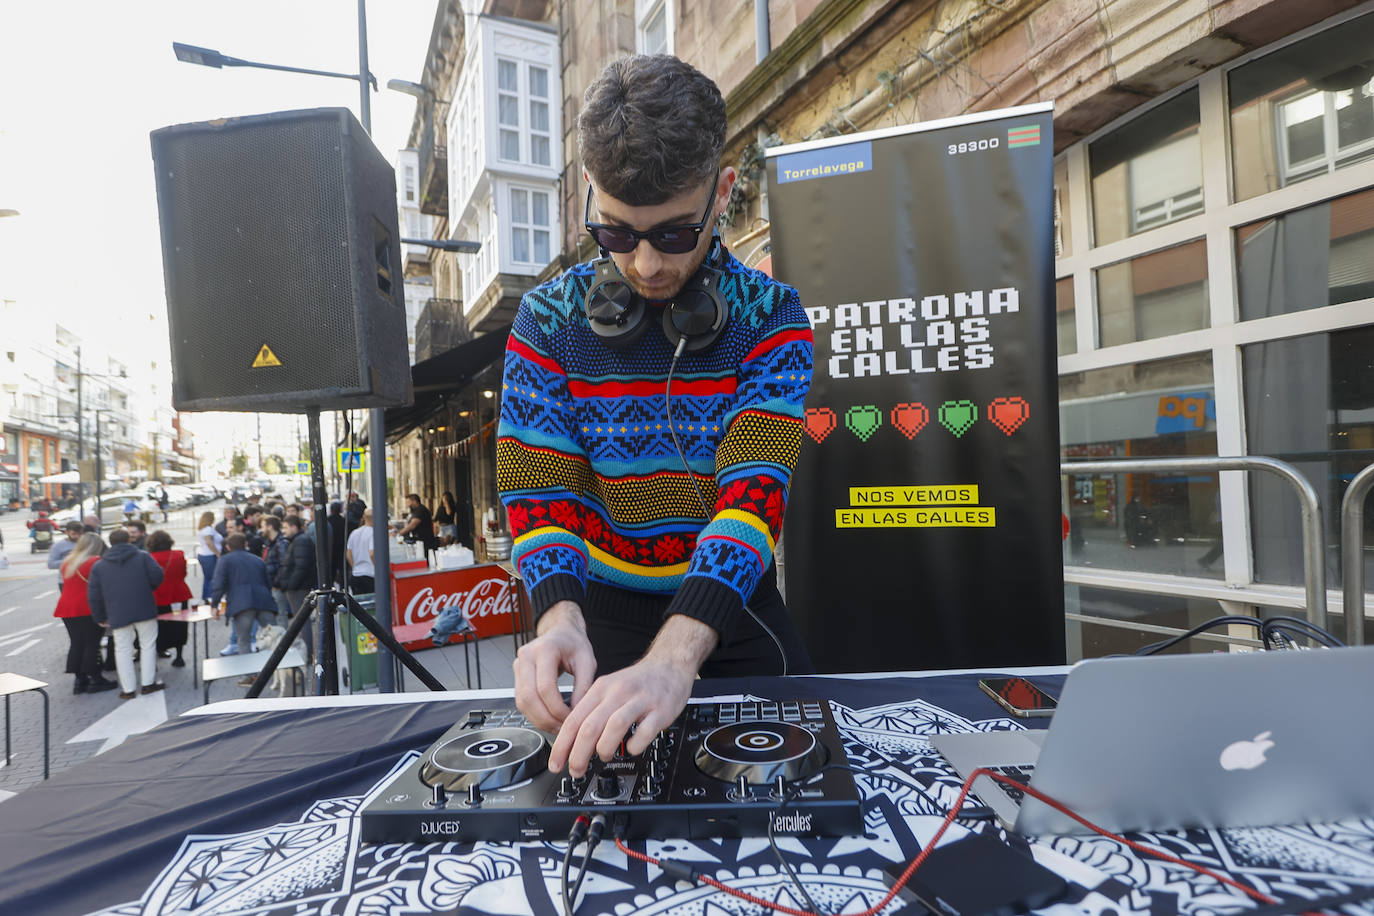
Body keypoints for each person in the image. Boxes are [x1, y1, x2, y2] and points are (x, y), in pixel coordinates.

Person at [497, 55, 814, 777]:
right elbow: (542, 499)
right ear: (590, 195)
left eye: (673, 235)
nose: (643, 266)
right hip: (597, 616)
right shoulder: (546, 322)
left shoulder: (772, 319)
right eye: (614, 233)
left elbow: (753, 499)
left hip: (735, 611)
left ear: (723, 193)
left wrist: (674, 661)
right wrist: (555, 619)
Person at [86, 527, 165, 699]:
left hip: (117, 612)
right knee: (148, 645)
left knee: (122, 650)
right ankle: (147, 683)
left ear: (110, 543)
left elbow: (94, 594)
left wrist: (99, 617)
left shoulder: (100, 565)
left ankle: (128, 689)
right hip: (144, 608)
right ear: (129, 540)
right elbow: (158, 575)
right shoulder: (143, 557)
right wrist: (147, 588)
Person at [52, 533, 119, 694]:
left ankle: (80, 680)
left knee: (77, 643)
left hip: (66, 607)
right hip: (87, 607)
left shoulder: (68, 561)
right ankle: (95, 678)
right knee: (92, 643)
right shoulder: (96, 562)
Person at [207, 533, 277, 661]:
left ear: (228, 547)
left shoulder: (224, 560)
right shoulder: (258, 560)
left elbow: (218, 584)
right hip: (264, 601)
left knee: (243, 640)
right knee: (274, 637)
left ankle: (248, 675)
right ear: (246, 544)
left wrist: (214, 605)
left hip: (242, 604)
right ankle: (277, 668)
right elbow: (268, 583)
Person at [148, 530, 193, 667]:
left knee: (158, 626)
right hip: (178, 594)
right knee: (179, 625)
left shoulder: (150, 558)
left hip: (157, 595)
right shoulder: (179, 555)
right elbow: (184, 573)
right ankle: (179, 656)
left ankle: (159, 650)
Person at [276, 514, 317, 657]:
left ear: (294, 527)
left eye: (286, 527)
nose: (284, 531)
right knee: (300, 622)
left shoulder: (301, 541)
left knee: (301, 622)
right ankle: (306, 652)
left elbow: (301, 567)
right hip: (298, 587)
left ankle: (306, 653)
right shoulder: (298, 540)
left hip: (299, 588)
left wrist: (290, 585)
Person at [261, 515, 292, 623]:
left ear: (270, 527)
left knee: (280, 614)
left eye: (263, 526)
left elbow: (284, 564)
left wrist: (276, 582)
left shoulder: (281, 543)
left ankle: (283, 638)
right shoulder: (269, 542)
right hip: (271, 583)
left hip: (276, 585)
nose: (261, 529)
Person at [345, 507, 375, 594]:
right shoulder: (374, 533)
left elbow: (348, 554)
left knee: (358, 604)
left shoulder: (354, 532)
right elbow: (372, 554)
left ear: (363, 517)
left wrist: (355, 567)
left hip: (356, 575)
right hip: (370, 575)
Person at [48, 520, 86, 589]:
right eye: (74, 534)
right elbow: (51, 564)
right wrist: (69, 560)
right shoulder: (58, 545)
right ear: (66, 532)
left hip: (84, 579)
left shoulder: (87, 542)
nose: (77, 536)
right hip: (65, 581)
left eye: (80, 534)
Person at [195, 510, 223, 603]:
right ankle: (210, 597)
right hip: (210, 556)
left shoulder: (204, 529)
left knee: (207, 577)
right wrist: (217, 554)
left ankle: (206, 596)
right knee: (212, 577)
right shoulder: (208, 530)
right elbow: (209, 542)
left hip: (204, 554)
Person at [398, 493, 437, 557]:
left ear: (414, 501)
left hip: (425, 541)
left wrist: (400, 532)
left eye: (408, 502)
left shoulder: (420, 510)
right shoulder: (414, 511)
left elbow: (413, 525)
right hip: (419, 541)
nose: (407, 505)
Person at [327, 500, 347, 587]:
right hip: (342, 549)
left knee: (331, 571)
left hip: (331, 550)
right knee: (343, 571)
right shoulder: (344, 521)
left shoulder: (327, 521)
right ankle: (343, 589)